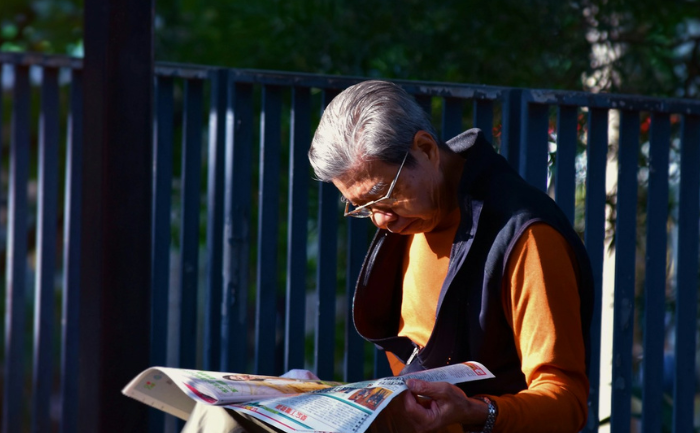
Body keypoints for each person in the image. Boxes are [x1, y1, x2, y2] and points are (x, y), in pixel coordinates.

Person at [184, 80, 593, 433]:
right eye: (360, 207)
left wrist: (474, 411)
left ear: (426, 149)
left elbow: (567, 402)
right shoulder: (410, 217)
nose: (379, 219)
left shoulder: (526, 236)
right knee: (220, 415)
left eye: (383, 195)